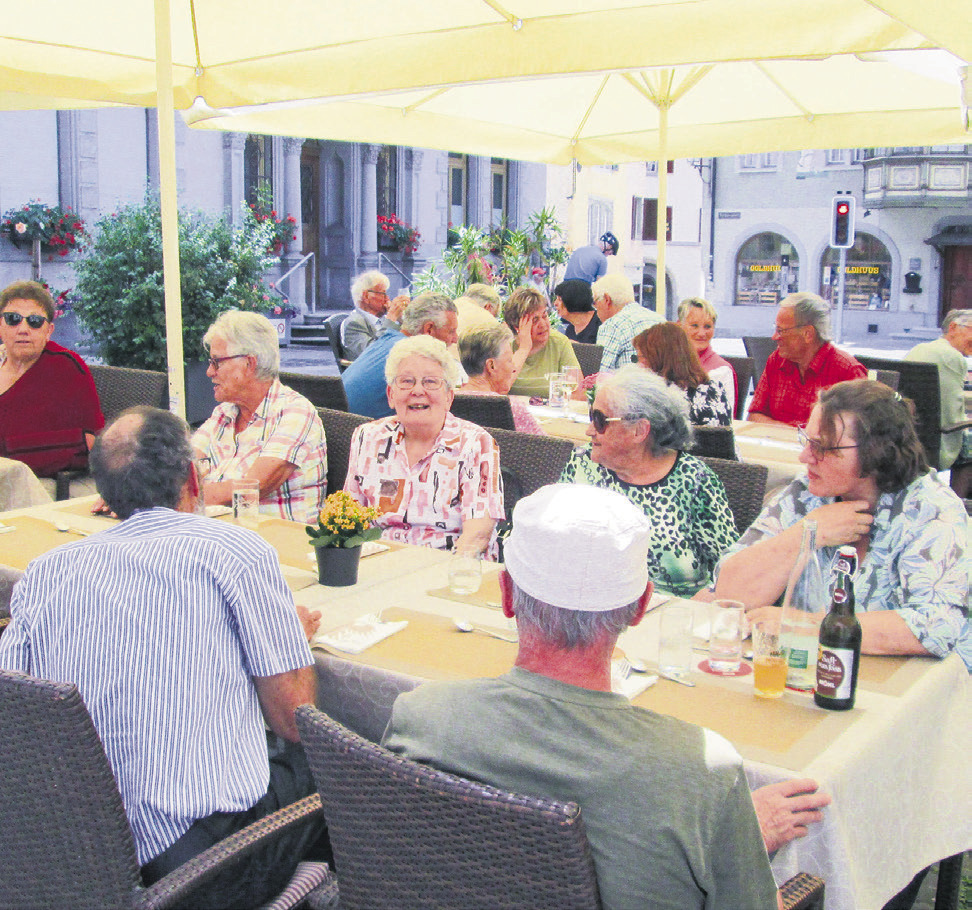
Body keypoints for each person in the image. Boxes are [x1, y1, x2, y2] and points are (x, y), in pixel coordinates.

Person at [381, 483, 780, 910]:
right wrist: (740, 833)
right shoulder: (703, 775)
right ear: (641, 606)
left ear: (507, 595)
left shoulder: (421, 717)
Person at [0, 406, 327, 907]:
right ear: (192, 477)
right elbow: (293, 719)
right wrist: (288, 641)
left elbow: (16, 705)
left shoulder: (45, 572)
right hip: (201, 865)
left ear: (103, 492)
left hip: (75, 852)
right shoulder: (234, 549)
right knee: (342, 758)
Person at [715, 380, 970, 670]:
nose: (804, 457)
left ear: (877, 453)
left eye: (822, 447)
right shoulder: (806, 497)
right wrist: (807, 533)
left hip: (914, 689)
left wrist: (807, 625)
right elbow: (729, 595)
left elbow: (935, 627)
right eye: (807, 440)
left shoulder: (930, 510)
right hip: (815, 673)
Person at [559, 366, 737, 597]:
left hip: (673, 614)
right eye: (591, 417)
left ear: (639, 431)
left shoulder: (694, 480)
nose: (589, 430)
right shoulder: (581, 464)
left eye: (600, 420)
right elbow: (555, 537)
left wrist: (710, 596)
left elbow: (729, 567)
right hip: (592, 604)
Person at [344, 334, 504, 557]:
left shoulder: (476, 444)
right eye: (406, 381)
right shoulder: (367, 437)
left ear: (449, 397)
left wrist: (450, 576)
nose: (417, 391)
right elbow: (350, 516)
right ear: (391, 395)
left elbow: (478, 535)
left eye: (430, 382)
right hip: (377, 563)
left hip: (446, 566)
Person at [192, 310, 326, 524]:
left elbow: (252, 488)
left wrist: (178, 497)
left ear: (249, 363)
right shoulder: (224, 413)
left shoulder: (295, 412)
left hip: (278, 545)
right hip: (222, 533)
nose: (209, 371)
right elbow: (182, 469)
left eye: (217, 362)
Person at [0, 279, 104, 476]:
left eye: (35, 321)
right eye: (13, 319)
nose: (23, 329)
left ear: (49, 331)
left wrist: (11, 448)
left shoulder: (65, 368)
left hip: (38, 478)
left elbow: (90, 442)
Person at [748, 292, 866, 427]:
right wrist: (790, 434)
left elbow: (859, 433)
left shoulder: (848, 371)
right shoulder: (776, 360)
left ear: (808, 334)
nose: (774, 337)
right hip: (778, 445)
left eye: (780, 330)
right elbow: (754, 416)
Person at [342, 292, 459, 419]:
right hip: (364, 431)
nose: (455, 339)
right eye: (451, 331)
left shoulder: (390, 337)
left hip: (338, 421)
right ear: (429, 329)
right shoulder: (415, 357)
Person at [903, 308, 972, 488]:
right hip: (938, 440)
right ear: (953, 327)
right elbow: (951, 412)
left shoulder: (920, 348)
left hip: (912, 435)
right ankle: (959, 503)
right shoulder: (953, 357)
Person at [633, 322, 732, 427]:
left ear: (659, 360)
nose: (638, 365)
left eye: (642, 357)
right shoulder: (714, 388)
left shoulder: (662, 401)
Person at [459, 323, 545, 435]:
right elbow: (550, 449)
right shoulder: (511, 408)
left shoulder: (447, 403)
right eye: (509, 361)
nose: (514, 368)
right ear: (491, 366)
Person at [503, 286, 581, 398]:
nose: (543, 324)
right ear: (517, 325)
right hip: (512, 413)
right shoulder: (505, 345)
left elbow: (578, 393)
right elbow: (499, 390)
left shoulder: (559, 342)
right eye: (534, 320)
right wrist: (524, 348)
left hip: (551, 412)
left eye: (544, 316)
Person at [677, 296, 738, 413]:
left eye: (707, 327)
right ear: (679, 326)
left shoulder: (721, 371)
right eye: (694, 325)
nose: (701, 333)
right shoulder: (667, 362)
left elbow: (722, 422)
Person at [592, 273, 663, 372]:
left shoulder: (613, 325)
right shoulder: (660, 320)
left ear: (607, 300)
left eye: (595, 302)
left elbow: (600, 375)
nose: (595, 309)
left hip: (629, 386)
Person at [342, 270, 409, 360]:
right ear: (366, 297)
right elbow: (373, 353)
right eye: (383, 294)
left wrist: (400, 319)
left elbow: (408, 339)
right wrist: (391, 317)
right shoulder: (354, 323)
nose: (387, 299)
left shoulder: (382, 319)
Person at [553, 278, 601, 344]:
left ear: (573, 300)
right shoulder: (570, 330)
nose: (555, 303)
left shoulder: (600, 324)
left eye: (560, 299)